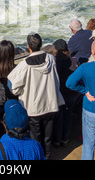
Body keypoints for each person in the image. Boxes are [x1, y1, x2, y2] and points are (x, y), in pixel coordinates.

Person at [7, 32, 65, 160]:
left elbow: (12, 86)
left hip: (34, 109)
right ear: (41, 45)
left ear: (28, 46)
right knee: (48, 137)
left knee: (35, 137)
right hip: (51, 104)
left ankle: (36, 157)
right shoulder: (51, 59)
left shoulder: (24, 65)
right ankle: (48, 156)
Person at [51, 39, 81, 147]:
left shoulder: (55, 62)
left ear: (57, 49)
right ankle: (65, 138)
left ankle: (57, 140)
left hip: (61, 93)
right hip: (73, 93)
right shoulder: (74, 60)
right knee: (68, 116)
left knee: (59, 117)